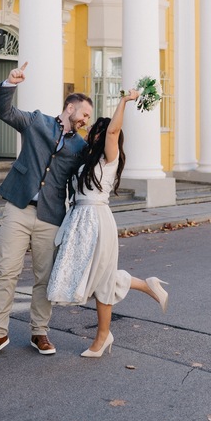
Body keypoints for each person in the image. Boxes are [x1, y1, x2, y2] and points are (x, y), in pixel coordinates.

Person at [0, 62, 93, 361]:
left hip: (51, 215)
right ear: (70, 108)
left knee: (45, 278)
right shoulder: (37, 122)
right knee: (6, 271)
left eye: (89, 118)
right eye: (84, 114)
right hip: (18, 206)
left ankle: (39, 331)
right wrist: (10, 85)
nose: (85, 121)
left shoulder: (80, 146)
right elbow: (5, 112)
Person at [47, 90, 169, 358]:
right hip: (79, 220)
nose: (94, 132)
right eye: (95, 129)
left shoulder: (109, 158)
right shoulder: (87, 160)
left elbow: (113, 132)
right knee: (91, 277)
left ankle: (103, 336)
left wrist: (123, 102)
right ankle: (145, 285)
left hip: (97, 221)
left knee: (101, 280)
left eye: (98, 129)